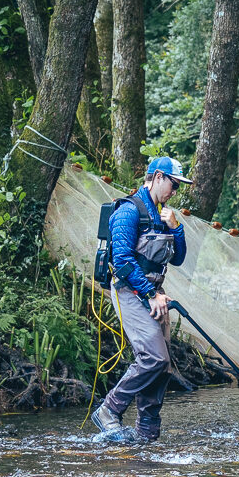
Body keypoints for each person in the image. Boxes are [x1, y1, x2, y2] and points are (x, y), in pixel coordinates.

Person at [91, 156, 192, 441]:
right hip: (129, 293)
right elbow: (121, 261)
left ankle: (147, 433)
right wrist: (149, 294)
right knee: (154, 357)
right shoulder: (128, 211)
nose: (175, 192)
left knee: (162, 367)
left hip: (154, 296)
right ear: (158, 177)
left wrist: (176, 228)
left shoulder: (163, 214)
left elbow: (180, 258)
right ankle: (108, 410)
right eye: (174, 184)